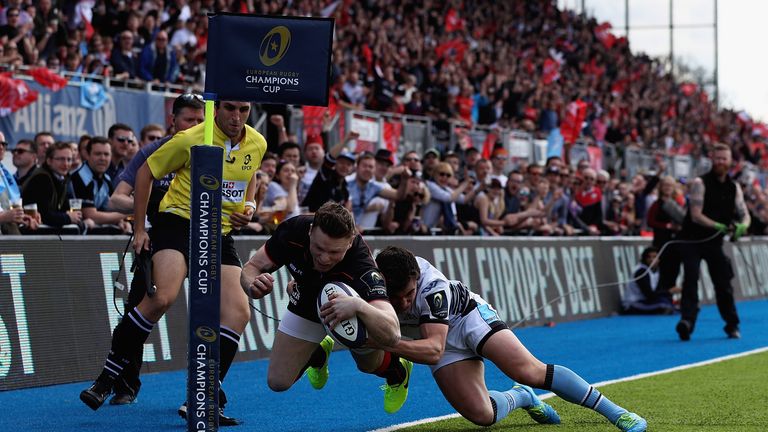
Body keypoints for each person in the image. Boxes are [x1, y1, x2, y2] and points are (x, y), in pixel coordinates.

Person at [80, 100, 266, 427]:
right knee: (161, 297)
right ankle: (108, 377)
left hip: (219, 232)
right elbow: (145, 172)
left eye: (244, 110)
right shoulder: (189, 139)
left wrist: (249, 206)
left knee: (240, 311)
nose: (237, 117)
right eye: (230, 109)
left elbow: (250, 177)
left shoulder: (257, 141)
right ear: (215, 110)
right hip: (178, 223)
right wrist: (139, 229)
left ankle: (206, 390)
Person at [374, 246, 648, 432]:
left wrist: (387, 342)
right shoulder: (370, 284)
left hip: (467, 318)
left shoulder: (433, 288)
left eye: (409, 294)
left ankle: (616, 412)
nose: (403, 303)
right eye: (395, 298)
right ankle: (521, 397)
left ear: (417, 278)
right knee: (482, 416)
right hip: (433, 335)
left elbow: (433, 350)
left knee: (529, 370)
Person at [240, 201, 413, 414]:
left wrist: (358, 305)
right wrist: (252, 286)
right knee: (278, 381)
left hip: (351, 307)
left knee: (367, 365)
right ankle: (318, 352)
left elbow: (393, 333)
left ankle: (397, 370)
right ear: (311, 232)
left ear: (349, 243)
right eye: (319, 248)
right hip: (307, 294)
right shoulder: (293, 230)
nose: (324, 258)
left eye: (334, 252)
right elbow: (251, 268)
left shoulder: (363, 267)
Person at [103, 93, 205, 406]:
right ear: (173, 121)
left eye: (201, 120)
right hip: (159, 239)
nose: (196, 126)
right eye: (189, 120)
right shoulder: (153, 151)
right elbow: (117, 197)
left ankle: (209, 390)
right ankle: (124, 383)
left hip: (204, 240)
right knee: (141, 306)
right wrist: (147, 210)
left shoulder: (214, 151)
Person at [676, 144, 749, 341]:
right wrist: (717, 225)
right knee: (691, 280)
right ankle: (687, 321)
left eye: (724, 159)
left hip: (714, 243)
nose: (721, 162)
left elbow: (745, 214)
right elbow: (696, 215)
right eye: (718, 158)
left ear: (730, 161)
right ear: (712, 159)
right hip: (691, 239)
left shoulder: (734, 187)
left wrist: (742, 226)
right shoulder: (701, 183)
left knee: (723, 283)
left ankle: (732, 324)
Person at [621, 247, 675, 315]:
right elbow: (649, 295)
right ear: (644, 259)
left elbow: (657, 291)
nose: (652, 259)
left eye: (655, 257)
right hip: (633, 303)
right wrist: (669, 292)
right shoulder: (642, 272)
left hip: (644, 301)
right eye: (649, 257)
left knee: (666, 301)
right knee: (664, 305)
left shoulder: (655, 271)